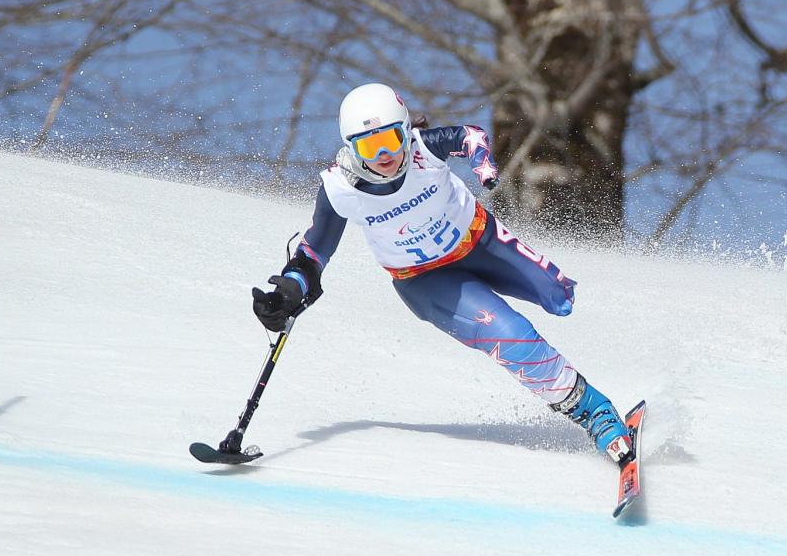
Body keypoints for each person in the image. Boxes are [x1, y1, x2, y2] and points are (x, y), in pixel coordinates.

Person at [250, 82, 634, 464]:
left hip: (481, 243)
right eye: (369, 145)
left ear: (406, 131)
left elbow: (469, 136)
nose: (384, 154)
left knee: (559, 296)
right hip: (424, 279)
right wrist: (292, 288)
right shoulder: (339, 189)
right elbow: (315, 250)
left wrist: (482, 162)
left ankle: (584, 386)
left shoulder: (422, 149)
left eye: (391, 139)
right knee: (512, 335)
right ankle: (596, 414)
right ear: (351, 147)